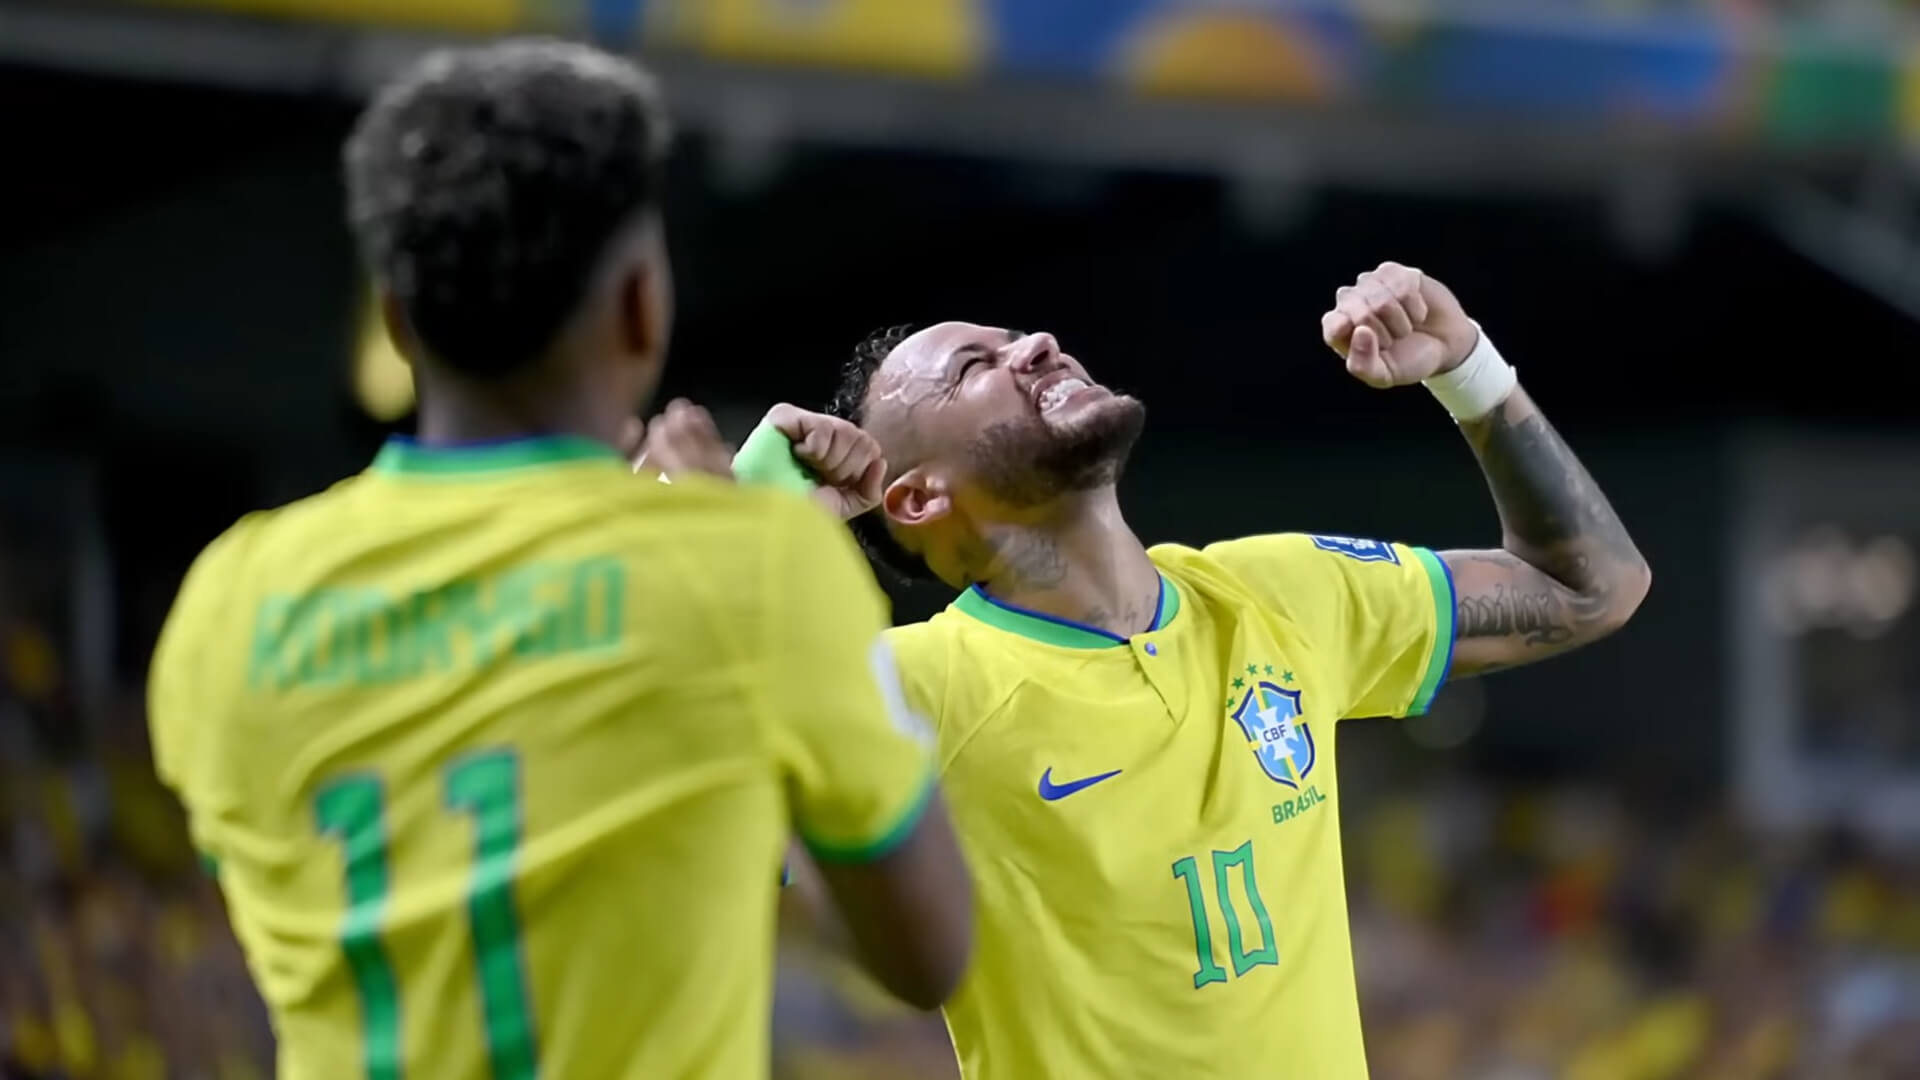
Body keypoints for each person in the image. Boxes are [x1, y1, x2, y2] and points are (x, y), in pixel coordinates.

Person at [147, 40, 972, 1080]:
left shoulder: (228, 599)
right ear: (641, 305)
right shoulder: (760, 569)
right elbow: (924, 951)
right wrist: (748, 547)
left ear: (397, 321)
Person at [659, 261, 1650, 1077]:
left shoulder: (1284, 592)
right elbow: (643, 814)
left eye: (1016, 338)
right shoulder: (914, 689)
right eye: (975, 368)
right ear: (917, 500)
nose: (1035, 344)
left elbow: (1592, 586)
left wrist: (1469, 370)